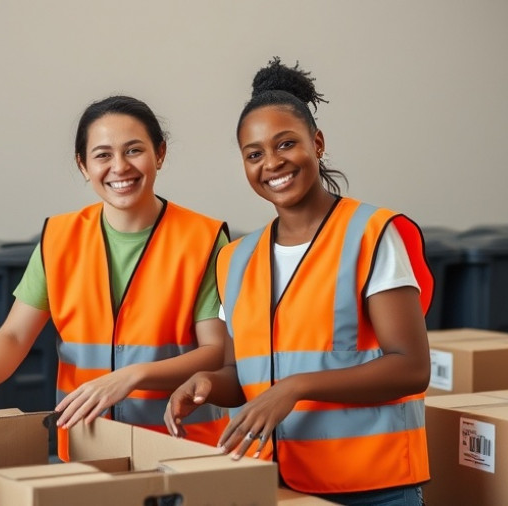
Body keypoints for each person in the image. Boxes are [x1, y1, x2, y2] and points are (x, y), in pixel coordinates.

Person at [164, 58, 434, 506]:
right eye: (254, 154)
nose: (272, 163)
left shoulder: (371, 234)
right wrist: (208, 382)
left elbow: (411, 367)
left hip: (373, 488)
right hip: (278, 487)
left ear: (318, 143)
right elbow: (243, 377)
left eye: (285, 144)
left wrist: (297, 386)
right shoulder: (235, 259)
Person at [0, 95, 229, 461]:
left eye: (134, 150)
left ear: (159, 154)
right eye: (102, 155)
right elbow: (15, 335)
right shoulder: (59, 238)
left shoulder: (204, 239)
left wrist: (131, 376)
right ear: (83, 165)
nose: (119, 167)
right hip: (90, 446)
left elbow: (215, 353)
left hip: (183, 449)